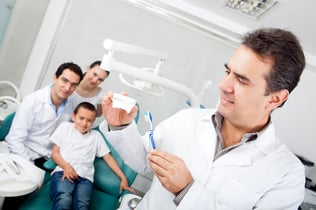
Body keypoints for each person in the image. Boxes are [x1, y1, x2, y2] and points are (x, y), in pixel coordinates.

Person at [100, 28, 306, 209]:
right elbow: (144, 161)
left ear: (275, 99)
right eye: (228, 71)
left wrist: (186, 191)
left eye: (241, 80)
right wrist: (121, 127)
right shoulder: (187, 120)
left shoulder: (286, 173)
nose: (224, 85)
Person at [49, 102, 134, 210]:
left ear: (93, 122)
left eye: (89, 120)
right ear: (74, 116)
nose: (84, 123)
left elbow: (107, 157)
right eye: (81, 118)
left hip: (85, 179)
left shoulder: (96, 136)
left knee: (82, 205)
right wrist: (66, 166)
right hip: (63, 172)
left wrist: (123, 177)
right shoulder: (65, 128)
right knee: (64, 199)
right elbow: (55, 153)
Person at [5, 62, 83, 170]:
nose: (67, 87)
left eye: (74, 85)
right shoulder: (32, 101)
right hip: (25, 153)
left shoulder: (74, 101)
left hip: (50, 158)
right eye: (64, 80)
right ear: (55, 78)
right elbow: (14, 140)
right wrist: (29, 166)